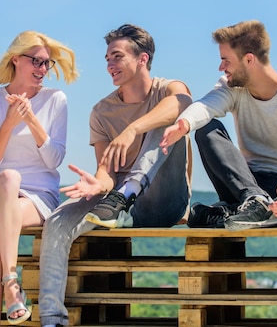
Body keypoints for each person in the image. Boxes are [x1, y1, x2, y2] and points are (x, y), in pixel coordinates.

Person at [38, 24, 193, 327]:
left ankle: (128, 192)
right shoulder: (101, 112)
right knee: (56, 222)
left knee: (169, 120)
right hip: (117, 206)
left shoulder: (168, 89)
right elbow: (106, 171)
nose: (109, 65)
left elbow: (184, 103)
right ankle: (52, 319)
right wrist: (98, 183)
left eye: (117, 57)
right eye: (107, 59)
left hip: (166, 201)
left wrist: (134, 128)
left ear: (142, 59)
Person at [160, 20, 277, 231]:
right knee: (207, 129)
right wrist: (184, 124)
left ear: (248, 59)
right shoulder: (232, 87)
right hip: (241, 183)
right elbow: (207, 106)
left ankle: (232, 215)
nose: (221, 67)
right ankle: (252, 206)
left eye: (225, 60)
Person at [0, 31, 78, 326]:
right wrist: (10, 121)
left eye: (47, 64)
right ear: (16, 60)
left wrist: (32, 119)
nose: (43, 70)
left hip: (39, 196)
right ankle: (11, 282)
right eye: (36, 61)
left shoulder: (56, 99)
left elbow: (54, 160)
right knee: (9, 176)